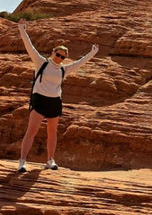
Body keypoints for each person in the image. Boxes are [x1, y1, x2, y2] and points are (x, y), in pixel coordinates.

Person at [17, 18, 99, 173]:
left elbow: (80, 63)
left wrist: (92, 52)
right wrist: (22, 29)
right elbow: (30, 46)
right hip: (39, 99)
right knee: (31, 131)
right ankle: (22, 161)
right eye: (58, 54)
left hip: (55, 102)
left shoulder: (63, 69)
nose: (59, 58)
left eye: (62, 57)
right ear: (53, 52)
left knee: (52, 133)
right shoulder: (41, 63)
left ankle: (50, 160)